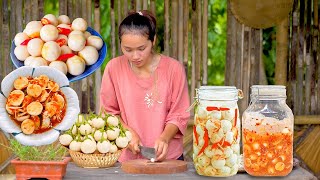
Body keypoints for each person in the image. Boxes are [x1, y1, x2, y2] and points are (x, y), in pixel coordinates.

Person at [100, 10, 190, 162]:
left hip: (168, 158)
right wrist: (127, 133)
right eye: (128, 49)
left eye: (141, 49)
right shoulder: (113, 68)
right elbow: (108, 112)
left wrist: (165, 138)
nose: (135, 56)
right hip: (126, 158)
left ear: (153, 40)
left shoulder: (174, 69)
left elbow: (179, 114)